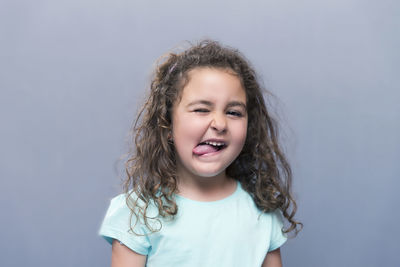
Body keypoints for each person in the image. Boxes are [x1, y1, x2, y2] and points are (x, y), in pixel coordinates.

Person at [99, 40, 302, 267]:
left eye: (234, 112)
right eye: (202, 110)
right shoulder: (138, 213)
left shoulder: (261, 210)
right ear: (167, 125)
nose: (219, 123)